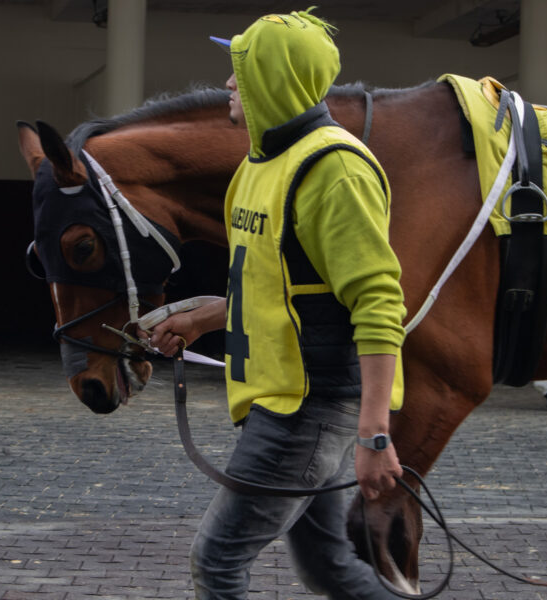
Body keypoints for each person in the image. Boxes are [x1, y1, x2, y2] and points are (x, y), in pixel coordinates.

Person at [145, 9, 407, 599]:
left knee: (217, 561)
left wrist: (375, 434)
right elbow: (281, 284)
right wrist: (206, 316)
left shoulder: (335, 169)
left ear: (273, 80)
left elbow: (377, 300)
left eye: (240, 72)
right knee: (326, 567)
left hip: (306, 410)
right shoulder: (259, 165)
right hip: (283, 401)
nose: (228, 83)